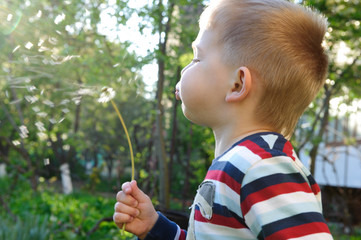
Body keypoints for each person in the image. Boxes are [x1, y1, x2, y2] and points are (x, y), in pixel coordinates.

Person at [113, 0, 334, 239]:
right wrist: (155, 227)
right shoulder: (242, 163)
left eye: (197, 58)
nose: (184, 70)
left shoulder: (262, 167)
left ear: (237, 84)